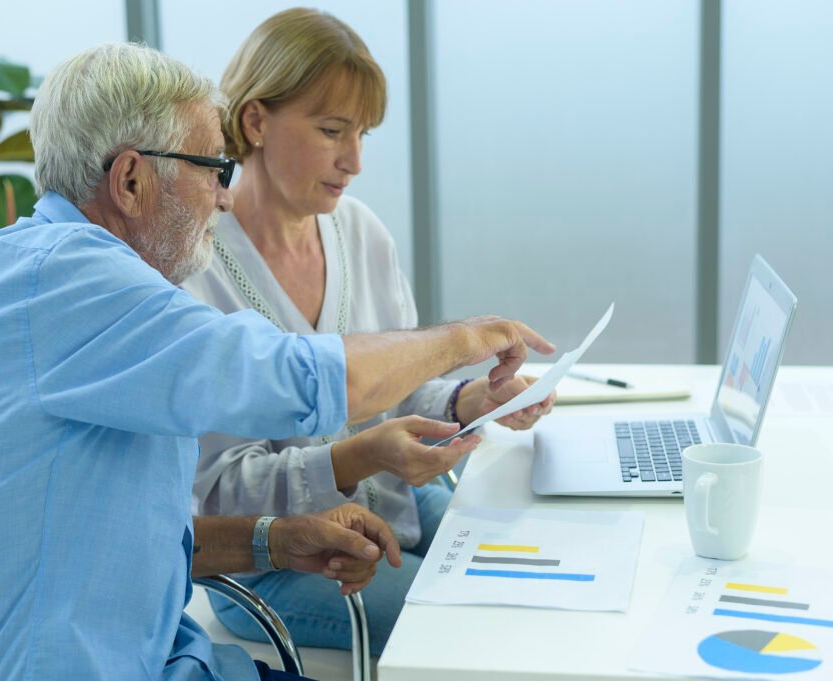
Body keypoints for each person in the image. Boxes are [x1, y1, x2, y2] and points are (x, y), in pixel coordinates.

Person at [0, 43, 555, 681]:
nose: (222, 197)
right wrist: (467, 337)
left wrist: (274, 539)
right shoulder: (61, 280)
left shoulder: (45, 272)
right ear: (131, 178)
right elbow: (306, 378)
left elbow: (132, 538)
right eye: (211, 170)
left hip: (164, 654)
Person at [182, 8, 556, 656]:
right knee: (477, 631)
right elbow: (218, 491)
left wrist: (471, 400)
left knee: (538, 570)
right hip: (282, 561)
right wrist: (363, 455)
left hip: (394, 508)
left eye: (362, 134)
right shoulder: (197, 271)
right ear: (255, 121)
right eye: (332, 131)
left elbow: (406, 389)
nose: (353, 160)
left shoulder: (359, 231)